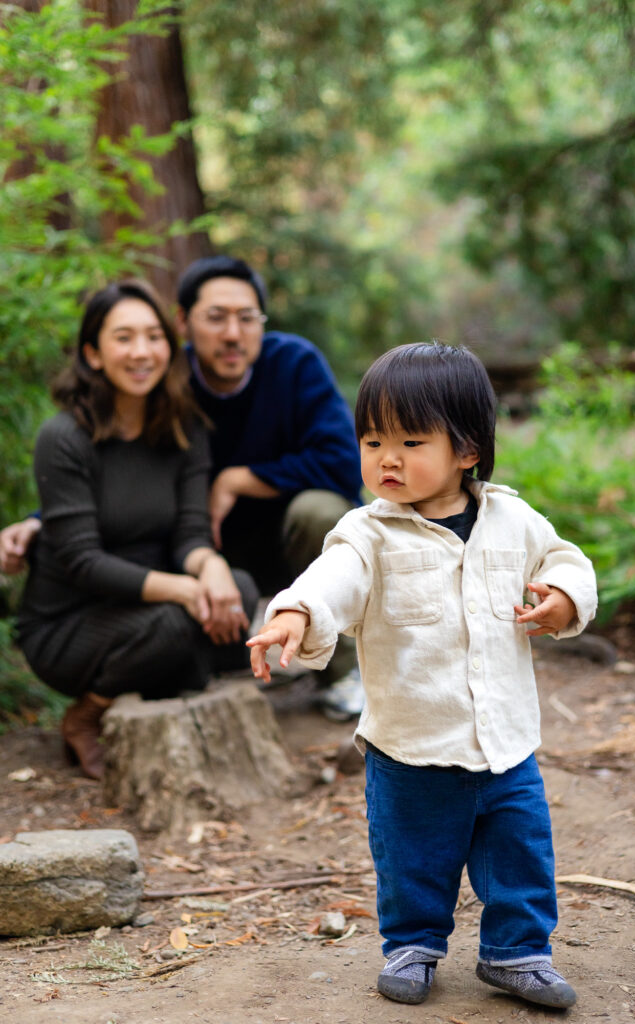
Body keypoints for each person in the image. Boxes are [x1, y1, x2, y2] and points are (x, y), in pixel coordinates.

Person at [247, 343, 598, 1010]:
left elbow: (566, 559)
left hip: (504, 743)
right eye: (372, 439)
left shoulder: (512, 519)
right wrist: (295, 611)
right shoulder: (367, 534)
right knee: (412, 858)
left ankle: (517, 950)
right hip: (411, 745)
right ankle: (412, 944)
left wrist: (561, 595)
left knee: (520, 849)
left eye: (411, 440)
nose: (387, 457)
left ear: (467, 449)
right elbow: (331, 581)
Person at [1, 256, 365, 720]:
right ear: (184, 323)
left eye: (246, 317)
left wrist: (238, 481)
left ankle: (340, 671)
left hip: (262, 538)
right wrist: (40, 520)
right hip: (181, 552)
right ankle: (124, 695)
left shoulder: (279, 369)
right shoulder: (162, 383)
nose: (232, 333)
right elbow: (110, 470)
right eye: (215, 317)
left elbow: (344, 462)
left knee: (316, 517)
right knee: (190, 617)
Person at [14, 280, 258, 780]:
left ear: (169, 346)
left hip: (147, 603)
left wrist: (209, 569)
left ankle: (162, 670)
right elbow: (82, 563)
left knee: (240, 592)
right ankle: (86, 713)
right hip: (69, 621)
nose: (142, 351)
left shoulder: (183, 427)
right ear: (94, 354)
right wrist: (186, 592)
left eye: (153, 336)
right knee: (178, 623)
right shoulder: (63, 438)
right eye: (124, 338)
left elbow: (190, 534)